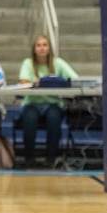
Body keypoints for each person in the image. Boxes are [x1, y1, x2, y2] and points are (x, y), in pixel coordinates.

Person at [18, 35, 79, 168]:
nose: (42, 48)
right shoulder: (27, 63)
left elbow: (74, 79)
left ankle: (50, 159)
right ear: (34, 49)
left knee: (54, 118)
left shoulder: (58, 63)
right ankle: (29, 159)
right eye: (38, 45)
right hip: (31, 103)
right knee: (29, 119)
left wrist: (58, 83)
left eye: (45, 45)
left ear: (49, 48)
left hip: (53, 103)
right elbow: (23, 81)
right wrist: (40, 83)